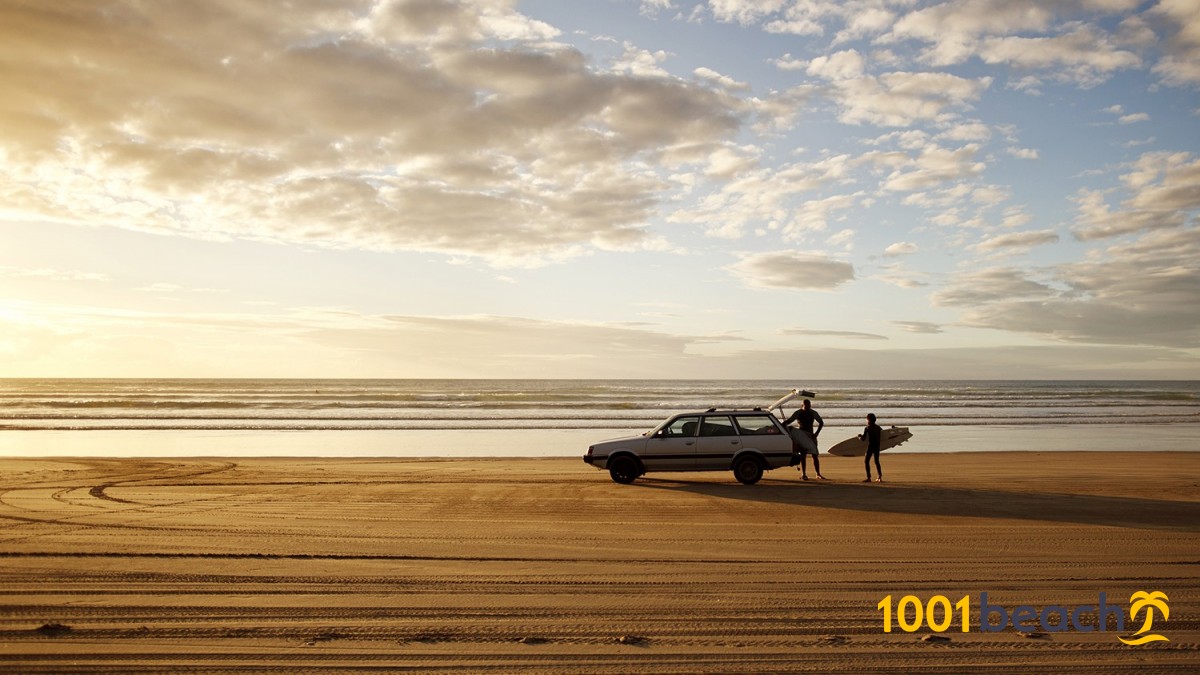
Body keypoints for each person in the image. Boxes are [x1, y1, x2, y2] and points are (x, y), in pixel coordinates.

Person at [783, 399, 824, 480]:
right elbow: (789, 421)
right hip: (801, 436)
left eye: (809, 405)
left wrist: (816, 433)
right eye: (806, 405)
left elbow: (821, 422)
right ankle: (804, 474)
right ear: (802, 405)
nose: (808, 407)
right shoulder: (798, 412)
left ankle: (818, 474)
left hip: (811, 435)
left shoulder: (813, 412)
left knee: (815, 455)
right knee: (803, 455)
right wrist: (781, 426)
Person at [861, 413, 882, 483]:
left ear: (868, 419)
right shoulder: (878, 428)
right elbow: (884, 437)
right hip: (877, 446)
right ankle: (879, 477)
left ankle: (869, 477)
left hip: (871, 446)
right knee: (877, 461)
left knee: (866, 461)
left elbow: (863, 439)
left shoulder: (867, 428)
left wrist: (859, 436)